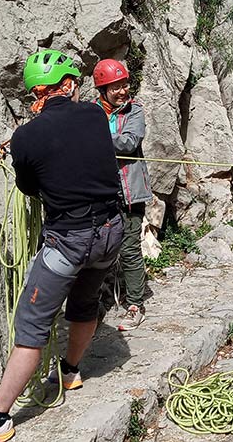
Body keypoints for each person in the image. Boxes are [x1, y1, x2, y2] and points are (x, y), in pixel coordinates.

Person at [0, 50, 124, 441]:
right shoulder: (96, 115)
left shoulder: (26, 137)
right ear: (69, 85)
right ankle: (70, 371)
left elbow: (28, 187)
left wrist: (17, 147)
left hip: (69, 240)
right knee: (85, 303)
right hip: (110, 233)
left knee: (31, 325)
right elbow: (74, 140)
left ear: (36, 94)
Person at [93, 58, 154, 331]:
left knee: (129, 249)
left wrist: (92, 138)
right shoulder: (91, 113)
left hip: (130, 193)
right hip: (101, 193)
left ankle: (135, 305)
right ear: (103, 90)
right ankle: (95, 304)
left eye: (124, 85)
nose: (122, 91)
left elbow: (129, 142)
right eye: (115, 87)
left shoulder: (134, 111)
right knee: (98, 250)